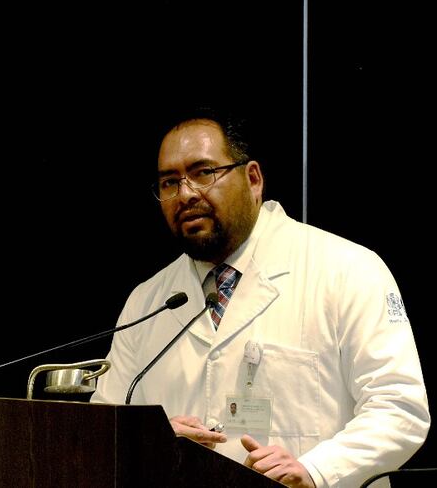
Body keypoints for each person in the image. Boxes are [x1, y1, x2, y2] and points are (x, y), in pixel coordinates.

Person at [91, 108, 429, 487]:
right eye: (169, 182)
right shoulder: (147, 301)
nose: (185, 193)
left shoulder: (347, 268)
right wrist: (152, 441)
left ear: (252, 179)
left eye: (203, 172)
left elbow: (399, 408)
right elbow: (106, 433)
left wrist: (317, 470)